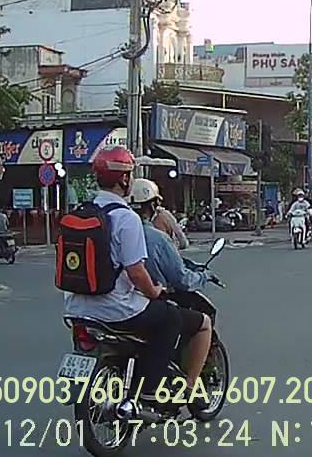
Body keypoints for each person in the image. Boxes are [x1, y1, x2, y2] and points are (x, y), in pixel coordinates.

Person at [61, 146, 212, 407]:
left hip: (77, 308)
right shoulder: (125, 218)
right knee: (172, 318)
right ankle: (151, 389)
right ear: (124, 178)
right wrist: (155, 291)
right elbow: (137, 272)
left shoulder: (79, 213)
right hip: (116, 310)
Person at [129, 178, 209, 294]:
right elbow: (182, 279)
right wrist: (203, 276)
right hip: (152, 296)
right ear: (153, 205)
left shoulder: (115, 230)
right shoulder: (158, 238)